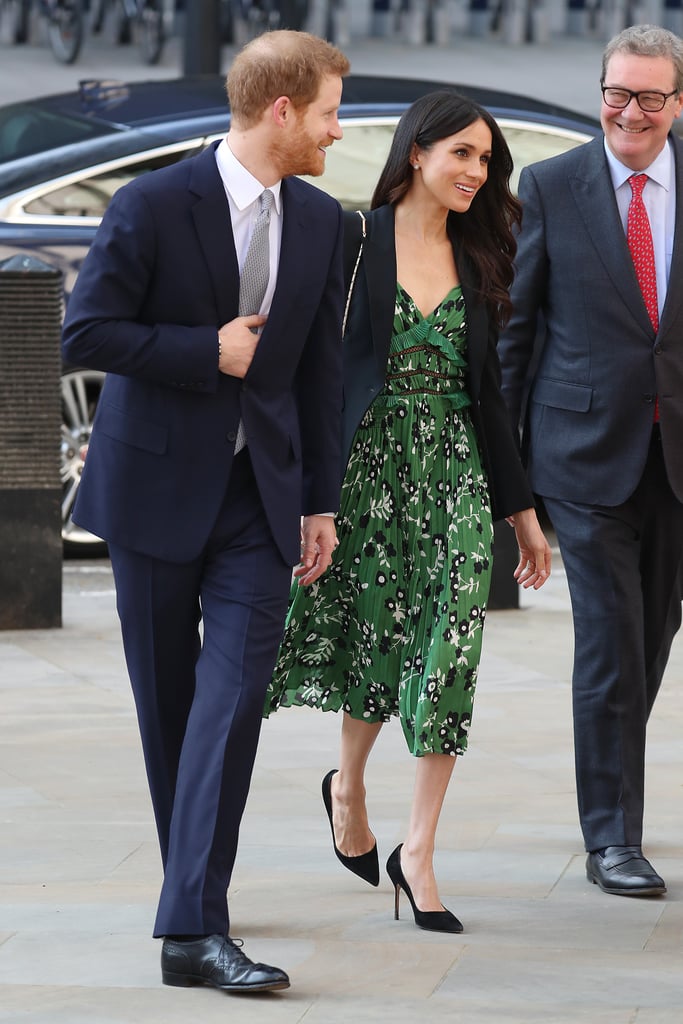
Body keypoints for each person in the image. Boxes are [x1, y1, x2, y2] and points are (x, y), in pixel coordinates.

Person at [61, 30, 350, 993]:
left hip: (258, 502)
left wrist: (319, 500)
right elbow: (86, 332)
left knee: (230, 708)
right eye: (326, 113)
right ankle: (197, 890)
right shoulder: (152, 203)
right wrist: (205, 351)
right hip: (151, 495)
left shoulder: (321, 222)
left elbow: (316, 370)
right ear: (280, 112)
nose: (335, 132)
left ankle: (193, 926)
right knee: (172, 716)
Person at [264, 90, 552, 933]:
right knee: (378, 642)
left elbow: (488, 395)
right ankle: (347, 787)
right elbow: (313, 367)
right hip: (366, 471)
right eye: (461, 152)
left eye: (486, 158)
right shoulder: (351, 240)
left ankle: (418, 851)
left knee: (450, 648)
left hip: (454, 472)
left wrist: (520, 511)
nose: (477, 171)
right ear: (416, 150)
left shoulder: (483, 250)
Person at [498, 24, 683, 897]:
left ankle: (611, 773)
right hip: (579, 455)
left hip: (675, 461)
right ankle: (611, 836)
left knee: (650, 639)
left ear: (677, 104)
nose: (632, 112)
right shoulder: (549, 186)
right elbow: (516, 332)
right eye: (618, 92)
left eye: (651, 96)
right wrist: (507, 473)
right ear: (598, 92)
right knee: (609, 640)